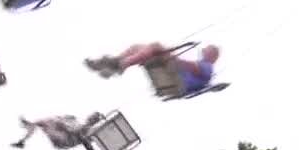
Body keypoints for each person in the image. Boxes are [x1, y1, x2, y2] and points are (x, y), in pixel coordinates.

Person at [85, 43, 220, 94]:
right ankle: (113, 63)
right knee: (136, 48)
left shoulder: (207, 67)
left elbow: (193, 68)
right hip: (175, 77)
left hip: (178, 80)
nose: (202, 52)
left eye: (205, 51)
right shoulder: (203, 65)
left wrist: (171, 56)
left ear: (212, 55)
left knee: (156, 47)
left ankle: (121, 65)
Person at [12, 113, 104, 149]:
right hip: (64, 136)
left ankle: (28, 128)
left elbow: (75, 131)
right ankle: (23, 140)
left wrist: (63, 124)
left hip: (66, 139)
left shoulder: (88, 129)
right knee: (46, 121)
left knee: (50, 121)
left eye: (92, 118)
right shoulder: (77, 122)